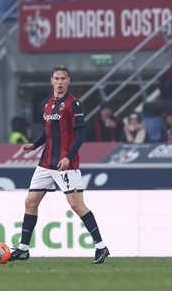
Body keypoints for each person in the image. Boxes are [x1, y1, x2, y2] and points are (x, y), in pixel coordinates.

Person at [9, 65, 110, 264]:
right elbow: (48, 132)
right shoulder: (46, 104)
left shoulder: (74, 104)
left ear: (68, 81)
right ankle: (23, 249)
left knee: (76, 205)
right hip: (46, 162)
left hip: (66, 163)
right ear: (51, 81)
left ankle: (101, 247)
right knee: (30, 202)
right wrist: (35, 145)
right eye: (57, 78)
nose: (60, 82)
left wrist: (68, 157)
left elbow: (81, 135)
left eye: (64, 78)